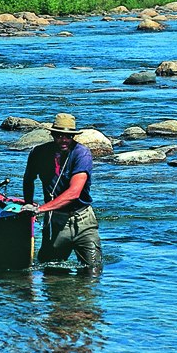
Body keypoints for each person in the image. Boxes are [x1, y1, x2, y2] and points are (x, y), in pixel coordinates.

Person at [22, 113, 102, 267]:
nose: (64, 140)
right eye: (59, 135)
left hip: (84, 221)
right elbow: (28, 180)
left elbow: (74, 193)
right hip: (55, 221)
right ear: (52, 135)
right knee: (51, 273)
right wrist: (28, 205)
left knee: (93, 272)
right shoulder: (38, 153)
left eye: (68, 136)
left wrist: (39, 210)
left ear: (73, 137)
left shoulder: (81, 153)